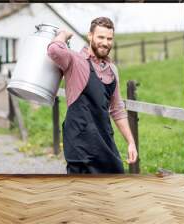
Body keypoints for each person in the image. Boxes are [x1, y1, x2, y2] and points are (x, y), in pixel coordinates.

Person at [47, 17, 137, 174]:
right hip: (79, 143)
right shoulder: (75, 60)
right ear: (90, 36)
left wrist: (131, 142)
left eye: (109, 38)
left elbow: (117, 109)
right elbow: (54, 50)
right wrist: (63, 34)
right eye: (101, 37)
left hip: (103, 140)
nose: (105, 42)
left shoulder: (112, 70)